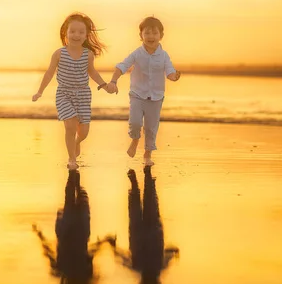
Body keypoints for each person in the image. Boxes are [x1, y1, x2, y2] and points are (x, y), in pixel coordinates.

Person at [32, 12, 113, 170]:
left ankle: (76, 142)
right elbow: (49, 73)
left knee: (84, 131)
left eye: (81, 32)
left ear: (86, 35)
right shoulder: (59, 54)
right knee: (70, 125)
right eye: (73, 31)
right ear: (66, 33)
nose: (76, 35)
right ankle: (71, 159)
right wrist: (40, 91)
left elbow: (92, 72)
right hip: (64, 94)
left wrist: (104, 85)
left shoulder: (88, 55)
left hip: (83, 95)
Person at [106, 16, 181, 166]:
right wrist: (113, 81)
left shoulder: (164, 56)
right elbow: (122, 66)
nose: (150, 37)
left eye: (154, 33)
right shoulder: (136, 53)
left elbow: (170, 72)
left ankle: (147, 155)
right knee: (134, 122)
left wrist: (174, 77)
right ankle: (135, 140)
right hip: (137, 95)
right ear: (141, 36)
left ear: (161, 35)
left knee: (151, 128)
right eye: (147, 33)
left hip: (156, 97)